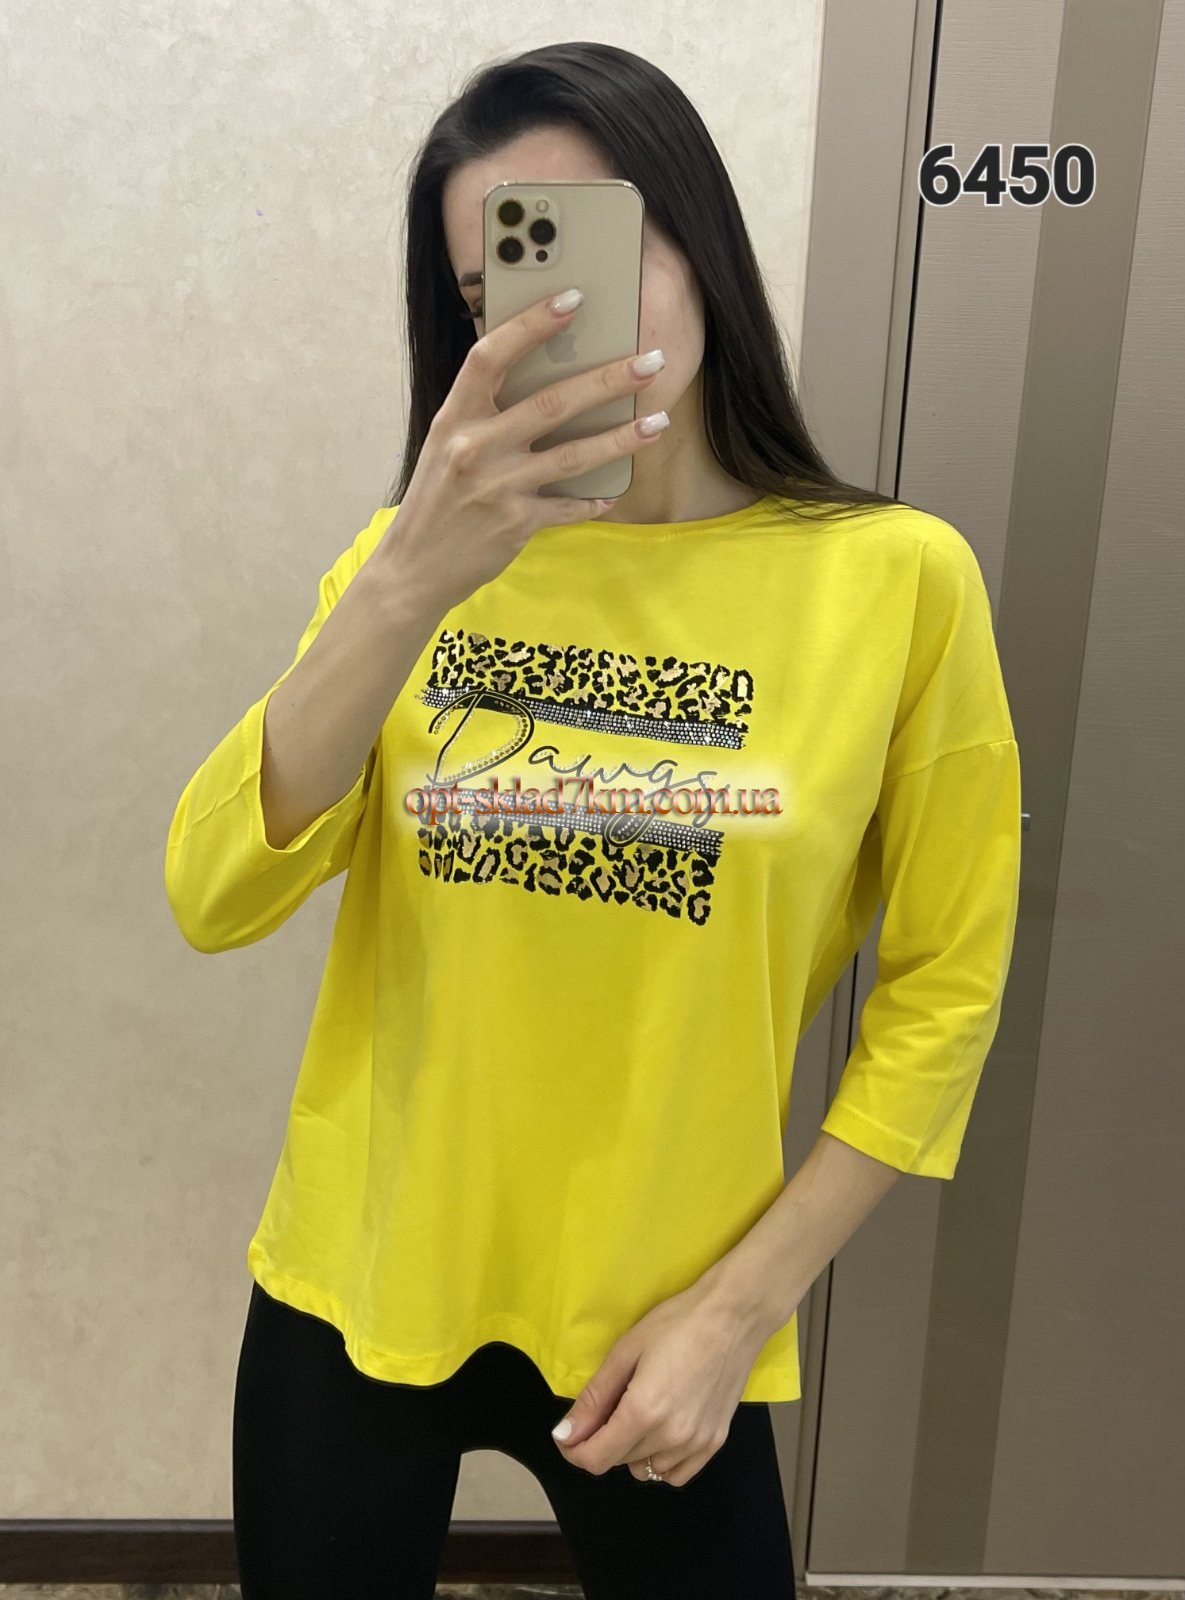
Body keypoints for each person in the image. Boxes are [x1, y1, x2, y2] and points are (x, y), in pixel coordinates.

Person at [164, 40, 1022, 1600]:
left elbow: (946, 989)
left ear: (695, 239)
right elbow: (214, 893)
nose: (553, 313)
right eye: (499, 285)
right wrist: (406, 579)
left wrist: (740, 1313)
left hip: (669, 1320)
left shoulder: (898, 581)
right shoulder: (411, 569)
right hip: (360, 1278)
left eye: (588, 247)